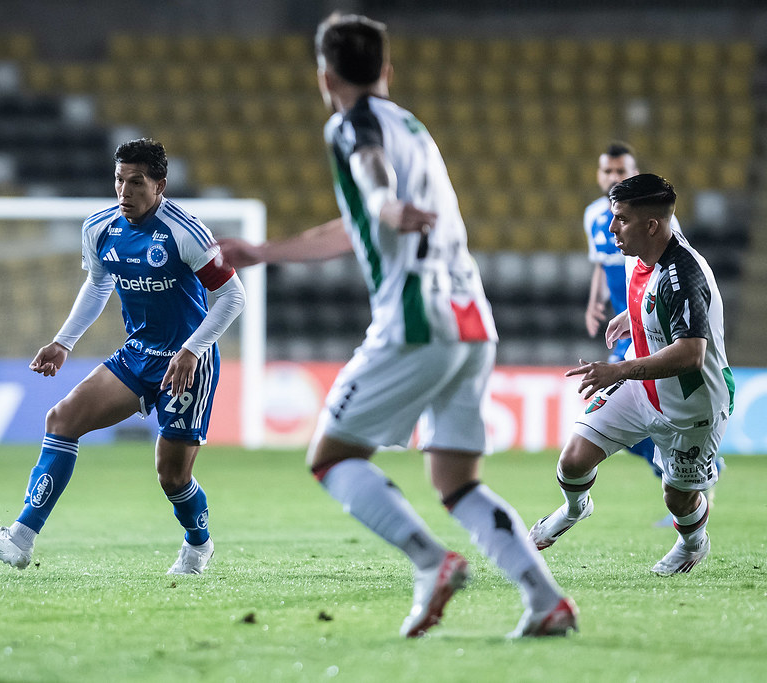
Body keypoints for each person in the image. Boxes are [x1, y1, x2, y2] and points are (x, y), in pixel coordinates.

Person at [219, 13, 575, 638]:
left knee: (331, 456)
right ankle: (545, 601)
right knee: (457, 481)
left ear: (325, 76)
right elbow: (359, 227)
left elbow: (370, 174)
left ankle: (430, 562)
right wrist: (263, 251)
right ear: (386, 70)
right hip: (471, 321)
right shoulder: (415, 127)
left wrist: (384, 203)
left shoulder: (350, 124)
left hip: (416, 320)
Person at [0, 138, 245, 575]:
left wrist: (193, 350)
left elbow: (232, 296)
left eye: (137, 183)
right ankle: (21, 538)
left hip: (187, 362)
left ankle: (198, 544)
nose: (124, 192)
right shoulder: (100, 228)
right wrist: (63, 342)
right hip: (137, 354)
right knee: (62, 420)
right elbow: (98, 285)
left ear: (160, 186)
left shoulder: (185, 233)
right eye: (119, 180)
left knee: (172, 476)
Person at [529, 174, 732, 575]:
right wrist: (633, 316)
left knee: (678, 498)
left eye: (620, 219)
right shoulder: (638, 251)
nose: (611, 228)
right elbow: (651, 293)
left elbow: (692, 354)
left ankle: (693, 544)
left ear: (651, 225)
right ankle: (576, 507)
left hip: (692, 405)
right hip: (643, 390)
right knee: (573, 460)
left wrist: (616, 369)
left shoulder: (684, 276)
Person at [584, 143, 679, 481]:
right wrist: (595, 301)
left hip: (650, 326)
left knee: (612, 406)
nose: (612, 177)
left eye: (620, 171)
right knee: (616, 408)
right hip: (625, 326)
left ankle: (684, 469)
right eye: (607, 171)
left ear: (634, 174)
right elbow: (601, 263)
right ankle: (678, 467)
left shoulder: (652, 219)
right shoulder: (593, 216)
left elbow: (670, 267)